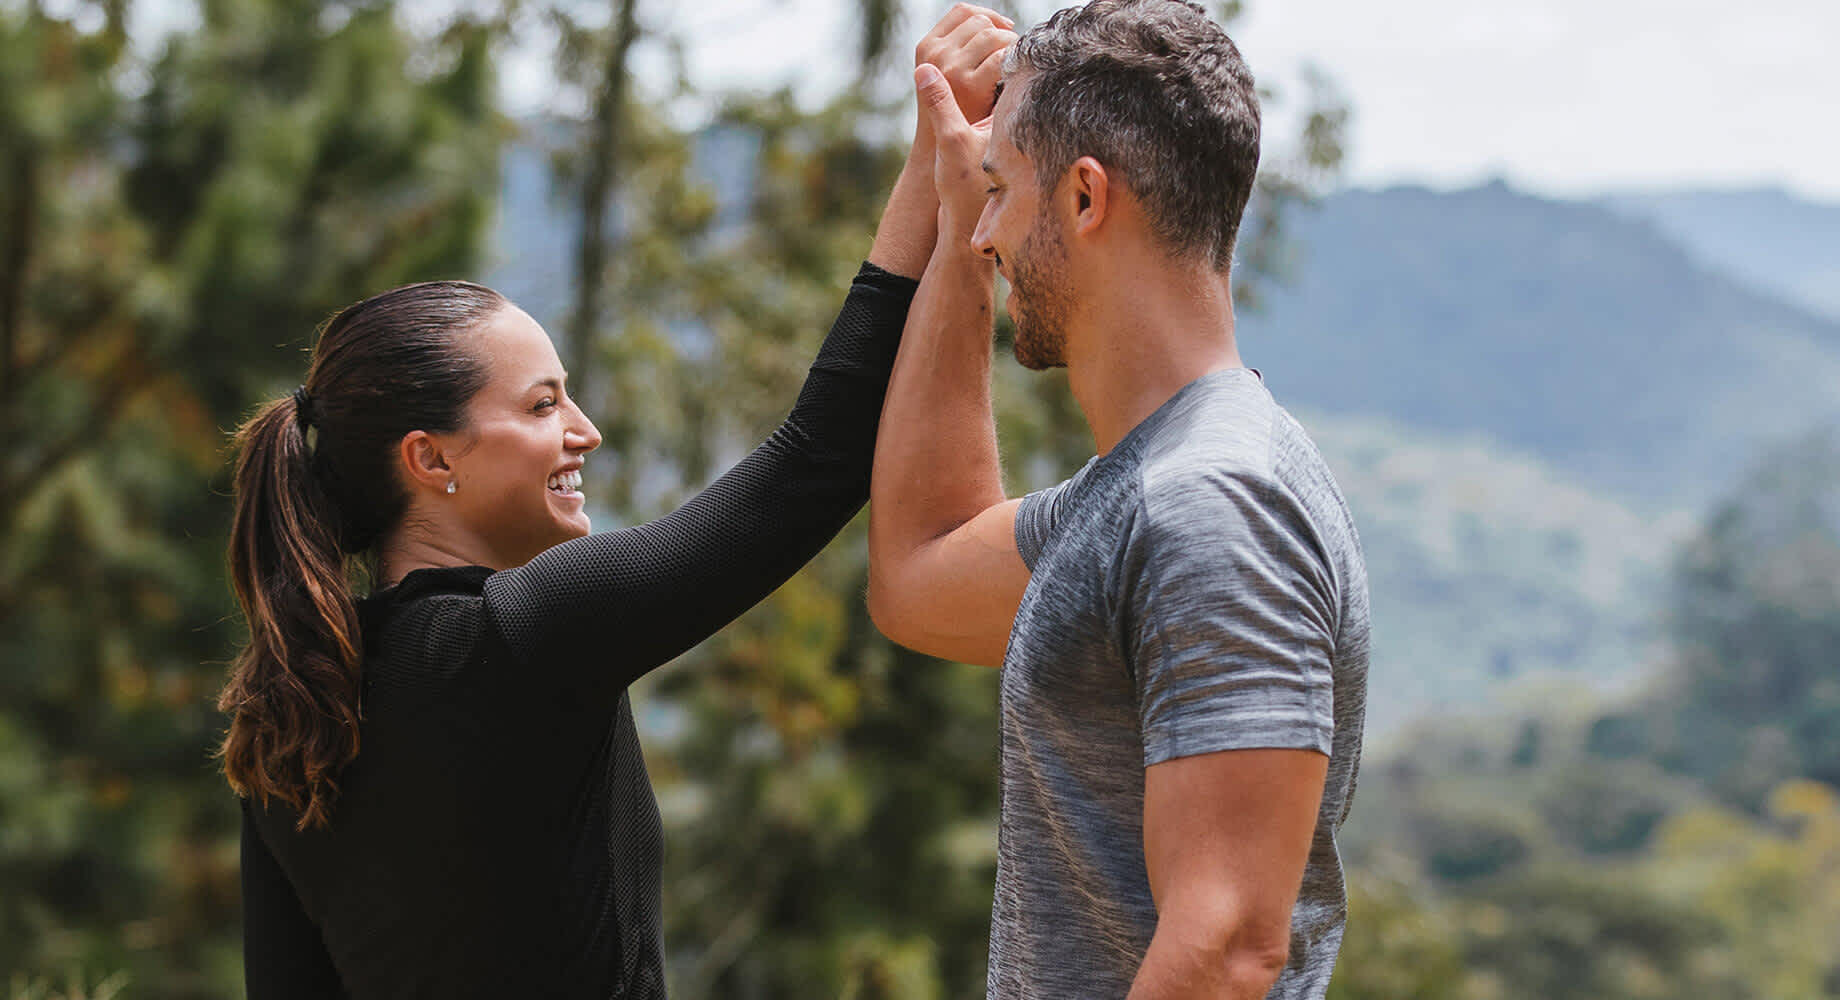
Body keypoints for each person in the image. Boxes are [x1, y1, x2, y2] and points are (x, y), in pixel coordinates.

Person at [217, 9, 1016, 995]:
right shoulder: (520, 639)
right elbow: (811, 464)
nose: (583, 430)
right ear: (429, 458)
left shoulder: (290, 730)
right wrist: (927, 176)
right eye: (543, 404)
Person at [865, 2, 1370, 998]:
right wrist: (946, 204)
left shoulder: (1214, 503)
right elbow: (919, 572)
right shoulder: (1139, 492)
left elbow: (1226, 951)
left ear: (1086, 199)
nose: (986, 231)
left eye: (1000, 190)